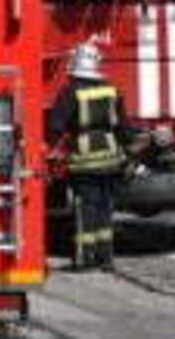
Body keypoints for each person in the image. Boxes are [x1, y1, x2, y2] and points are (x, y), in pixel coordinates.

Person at [46, 41, 126, 269]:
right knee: (105, 210)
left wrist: (51, 146)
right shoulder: (112, 91)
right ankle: (106, 258)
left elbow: (56, 126)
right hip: (110, 159)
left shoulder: (70, 92)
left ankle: (84, 258)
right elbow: (123, 127)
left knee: (85, 209)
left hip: (85, 161)